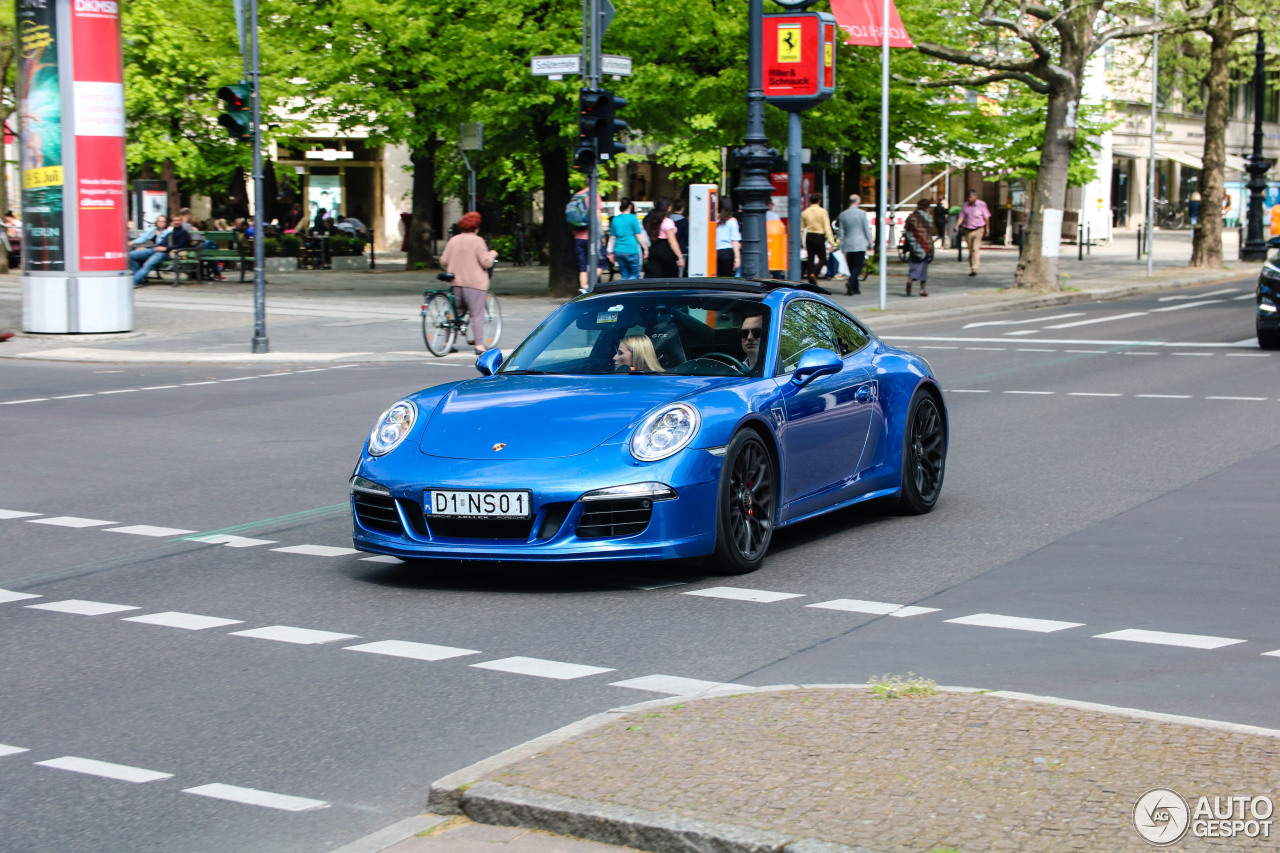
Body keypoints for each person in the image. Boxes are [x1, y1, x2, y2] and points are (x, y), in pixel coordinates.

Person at [440, 211, 497, 355]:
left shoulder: (453, 240)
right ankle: (479, 345)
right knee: (476, 314)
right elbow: (485, 262)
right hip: (475, 284)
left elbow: (443, 261)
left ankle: (448, 343)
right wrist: (493, 254)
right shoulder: (478, 241)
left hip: (455, 283)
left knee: (453, 314)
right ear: (476, 226)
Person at [128, 214, 191, 287]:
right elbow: (146, 239)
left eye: (178, 220)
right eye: (174, 220)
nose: (176, 222)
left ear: (182, 221)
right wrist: (141, 245)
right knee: (130, 255)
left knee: (148, 264)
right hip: (153, 250)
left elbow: (181, 245)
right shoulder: (166, 231)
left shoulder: (181, 232)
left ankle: (133, 282)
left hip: (164, 253)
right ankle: (141, 279)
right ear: (172, 222)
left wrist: (167, 248)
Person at [835, 194, 873, 295]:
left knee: (851, 266)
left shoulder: (843, 214)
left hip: (848, 244)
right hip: (859, 243)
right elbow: (866, 229)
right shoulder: (862, 213)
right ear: (858, 202)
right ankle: (851, 282)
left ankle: (855, 288)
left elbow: (841, 232)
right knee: (858, 266)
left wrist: (841, 246)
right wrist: (870, 242)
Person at [571, 186, 606, 293]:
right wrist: (602, 235)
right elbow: (597, 216)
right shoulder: (594, 196)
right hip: (592, 237)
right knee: (602, 262)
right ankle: (591, 284)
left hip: (578, 236)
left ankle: (584, 288)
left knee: (583, 265)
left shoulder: (576, 196)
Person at [606, 198, 646, 280]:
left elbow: (612, 237)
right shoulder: (633, 218)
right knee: (634, 275)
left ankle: (624, 290)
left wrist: (609, 252)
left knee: (624, 275)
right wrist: (645, 248)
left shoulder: (615, 219)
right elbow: (638, 234)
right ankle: (631, 291)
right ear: (630, 206)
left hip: (619, 250)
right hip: (632, 249)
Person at [643, 198, 684, 279]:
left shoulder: (652, 220)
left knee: (655, 277)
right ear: (667, 207)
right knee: (670, 277)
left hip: (654, 248)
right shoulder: (668, 222)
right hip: (666, 250)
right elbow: (672, 241)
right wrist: (680, 257)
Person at [800, 193, 834, 287]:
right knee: (822, 258)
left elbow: (802, 228)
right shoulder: (822, 211)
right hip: (819, 236)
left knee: (810, 258)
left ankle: (811, 281)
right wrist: (831, 239)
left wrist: (802, 240)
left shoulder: (805, 212)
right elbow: (827, 226)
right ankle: (814, 274)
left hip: (809, 236)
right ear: (819, 200)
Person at [904, 198, 936, 297]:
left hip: (914, 245)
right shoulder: (929, 217)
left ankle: (910, 279)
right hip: (925, 245)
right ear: (927, 207)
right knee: (923, 267)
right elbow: (930, 230)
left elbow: (907, 230)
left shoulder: (911, 217)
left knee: (913, 264)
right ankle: (922, 289)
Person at [957, 190, 991, 276]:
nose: (970, 199)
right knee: (970, 250)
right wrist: (957, 226)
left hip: (978, 229)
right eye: (969, 197)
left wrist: (987, 229)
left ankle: (975, 268)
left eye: (971, 197)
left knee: (975, 249)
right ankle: (972, 266)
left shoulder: (982, 205)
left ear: (976, 197)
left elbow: (986, 218)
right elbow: (961, 216)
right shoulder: (965, 205)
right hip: (968, 229)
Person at [715, 198, 741, 277]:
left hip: (715, 252)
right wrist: (737, 257)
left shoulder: (714, 221)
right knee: (727, 278)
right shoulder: (732, 221)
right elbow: (734, 240)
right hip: (727, 252)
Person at [766, 200, 787, 279]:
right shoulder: (774, 215)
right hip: (774, 241)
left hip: (764, 241)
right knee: (775, 265)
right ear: (769, 205)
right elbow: (779, 228)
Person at [670, 199, 690, 276]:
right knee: (680, 273)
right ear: (683, 208)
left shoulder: (668, 220)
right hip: (682, 249)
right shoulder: (684, 221)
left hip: (670, 249)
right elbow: (687, 235)